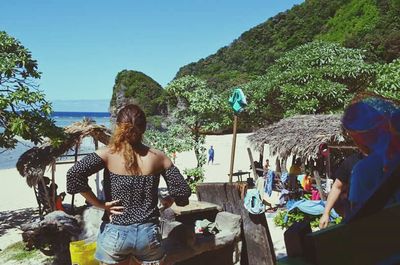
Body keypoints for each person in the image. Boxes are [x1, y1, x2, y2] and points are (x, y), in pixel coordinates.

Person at [67, 104, 191, 265]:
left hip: (115, 232)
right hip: (148, 234)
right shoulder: (159, 157)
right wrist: (169, 200)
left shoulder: (107, 154)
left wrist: (100, 204)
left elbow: (74, 175)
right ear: (144, 128)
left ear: (118, 127)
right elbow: (182, 191)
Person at [319, 152, 363, 229]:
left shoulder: (384, 159)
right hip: (353, 215)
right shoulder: (350, 162)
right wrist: (326, 213)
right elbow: (337, 187)